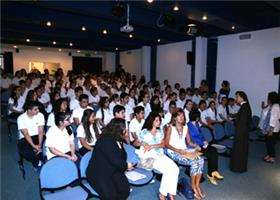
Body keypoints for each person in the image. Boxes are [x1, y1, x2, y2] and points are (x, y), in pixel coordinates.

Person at [86, 118, 133, 200]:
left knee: (125, 190)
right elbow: (116, 160)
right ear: (118, 129)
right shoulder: (105, 140)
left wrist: (122, 141)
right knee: (111, 196)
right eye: (125, 128)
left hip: (112, 168)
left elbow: (123, 156)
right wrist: (126, 165)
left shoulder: (117, 138)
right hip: (98, 172)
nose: (126, 130)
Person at [164, 109, 204, 199]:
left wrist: (196, 146)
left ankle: (197, 185)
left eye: (183, 116)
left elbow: (189, 142)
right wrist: (178, 151)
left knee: (201, 160)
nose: (182, 117)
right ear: (174, 117)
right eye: (179, 116)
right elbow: (166, 144)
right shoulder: (170, 127)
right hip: (172, 151)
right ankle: (193, 186)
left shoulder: (185, 126)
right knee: (194, 162)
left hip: (184, 150)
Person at [139, 113, 179, 200]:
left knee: (175, 169)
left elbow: (163, 144)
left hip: (160, 155)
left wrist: (152, 146)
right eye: (156, 120)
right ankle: (162, 194)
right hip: (150, 157)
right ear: (151, 121)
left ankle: (171, 192)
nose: (159, 122)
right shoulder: (144, 131)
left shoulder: (160, 131)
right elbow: (136, 142)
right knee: (168, 170)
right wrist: (143, 143)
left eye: (159, 120)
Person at [187, 109, 224, 185]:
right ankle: (211, 174)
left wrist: (205, 141)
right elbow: (192, 138)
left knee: (214, 150)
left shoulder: (197, 124)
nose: (199, 118)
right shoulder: (188, 126)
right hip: (194, 146)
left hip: (201, 144)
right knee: (210, 154)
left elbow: (201, 135)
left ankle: (213, 172)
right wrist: (202, 142)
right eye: (198, 117)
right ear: (196, 117)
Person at [17, 101, 45, 168]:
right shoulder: (21, 118)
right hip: (25, 138)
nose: (38, 111)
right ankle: (38, 162)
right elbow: (26, 134)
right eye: (35, 109)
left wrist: (40, 145)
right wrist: (34, 146)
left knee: (49, 145)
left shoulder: (40, 115)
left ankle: (40, 157)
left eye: (38, 109)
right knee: (25, 151)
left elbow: (40, 131)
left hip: (38, 136)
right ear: (29, 110)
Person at [230, 91, 252, 173]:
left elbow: (242, 123)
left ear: (242, 97)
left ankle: (237, 168)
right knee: (241, 151)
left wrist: (237, 135)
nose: (236, 99)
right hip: (243, 132)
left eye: (237, 97)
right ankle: (240, 167)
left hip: (240, 133)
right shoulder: (245, 106)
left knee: (239, 151)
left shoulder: (244, 107)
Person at [262, 92, 280, 163]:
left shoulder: (275, 106)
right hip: (270, 128)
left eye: (269, 97)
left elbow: (274, 118)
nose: (268, 98)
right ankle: (269, 155)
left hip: (272, 129)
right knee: (268, 142)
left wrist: (271, 130)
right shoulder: (273, 105)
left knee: (270, 143)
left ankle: (272, 157)